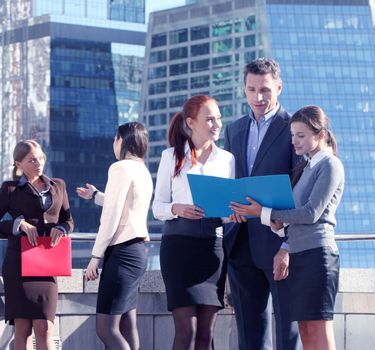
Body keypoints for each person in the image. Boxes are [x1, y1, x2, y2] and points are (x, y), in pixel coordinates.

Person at [230, 105, 343, 350]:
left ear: (320, 134)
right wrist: (277, 224)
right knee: (305, 331)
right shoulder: (306, 166)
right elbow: (295, 215)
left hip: (318, 257)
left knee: (319, 330)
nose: (294, 141)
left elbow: (311, 213)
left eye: (301, 135)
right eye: (292, 135)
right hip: (301, 256)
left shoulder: (330, 165)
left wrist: (265, 213)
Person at [223, 58, 301, 350]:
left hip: (278, 244)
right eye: (251, 89)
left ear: (279, 87)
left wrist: (288, 246)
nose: (258, 97)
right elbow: (230, 180)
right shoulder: (234, 130)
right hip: (241, 243)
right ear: (243, 89)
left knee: (286, 332)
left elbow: (300, 190)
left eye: (265, 90)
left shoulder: (293, 127)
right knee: (249, 335)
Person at [152, 95, 235, 350]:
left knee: (205, 335)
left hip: (213, 250)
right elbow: (157, 207)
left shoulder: (227, 159)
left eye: (219, 118)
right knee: (187, 331)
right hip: (179, 247)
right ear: (191, 122)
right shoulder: (171, 156)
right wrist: (177, 208)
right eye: (209, 119)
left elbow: (229, 209)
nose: (216, 124)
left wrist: (235, 212)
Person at [0, 139, 73, 350]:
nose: (38, 163)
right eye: (32, 160)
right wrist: (18, 223)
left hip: (48, 265)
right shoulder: (10, 189)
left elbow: (68, 220)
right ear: (18, 163)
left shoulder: (58, 185)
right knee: (22, 328)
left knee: (45, 327)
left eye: (41, 158)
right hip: (19, 264)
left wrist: (61, 229)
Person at [76, 122, 153, 350]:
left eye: (115, 139)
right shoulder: (142, 170)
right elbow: (123, 204)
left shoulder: (119, 168)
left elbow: (111, 216)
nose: (113, 144)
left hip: (122, 253)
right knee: (128, 325)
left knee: (106, 328)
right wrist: (96, 196)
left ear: (123, 141)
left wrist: (95, 256)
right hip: (138, 252)